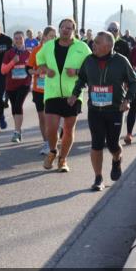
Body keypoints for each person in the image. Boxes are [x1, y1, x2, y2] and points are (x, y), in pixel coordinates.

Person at [70, 31, 136, 190]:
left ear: (108, 45)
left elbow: (134, 82)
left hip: (114, 109)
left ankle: (116, 159)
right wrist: (74, 94)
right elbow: (82, 79)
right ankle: (98, 178)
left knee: (113, 144)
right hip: (95, 110)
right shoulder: (89, 60)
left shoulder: (121, 61)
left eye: (97, 43)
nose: (93, 44)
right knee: (97, 143)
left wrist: (127, 100)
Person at [35, 17, 92, 172]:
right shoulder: (48, 46)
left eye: (69, 28)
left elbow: (91, 69)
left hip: (73, 94)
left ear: (74, 30)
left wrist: (77, 72)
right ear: (59, 29)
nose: (66, 30)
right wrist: (46, 70)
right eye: (63, 27)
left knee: (68, 129)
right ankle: (53, 151)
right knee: (51, 128)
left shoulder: (82, 47)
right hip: (52, 92)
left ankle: (63, 159)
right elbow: (38, 61)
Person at [27, 26, 57, 155]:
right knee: (42, 118)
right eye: (51, 35)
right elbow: (27, 69)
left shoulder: (58, 50)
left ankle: (54, 138)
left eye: (55, 36)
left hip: (54, 89)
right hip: (39, 89)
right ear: (44, 37)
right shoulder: (36, 50)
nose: (53, 38)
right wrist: (36, 71)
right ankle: (46, 143)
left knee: (54, 118)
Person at [0, 31, 31, 143]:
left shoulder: (29, 53)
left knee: (18, 105)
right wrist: (13, 62)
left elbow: (32, 68)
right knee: (14, 108)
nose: (18, 40)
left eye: (20, 38)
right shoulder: (9, 53)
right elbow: (3, 71)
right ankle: (18, 130)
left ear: (24, 39)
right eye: (16, 38)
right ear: (13, 40)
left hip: (24, 84)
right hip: (11, 85)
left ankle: (16, 132)